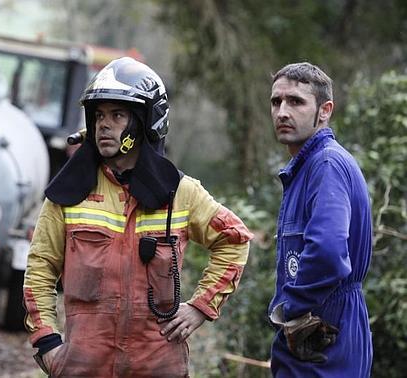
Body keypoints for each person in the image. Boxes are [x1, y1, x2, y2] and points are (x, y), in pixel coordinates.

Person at [23, 57, 253, 377]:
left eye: (117, 115)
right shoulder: (69, 193)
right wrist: (47, 342)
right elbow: (39, 268)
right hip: (83, 366)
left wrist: (201, 307)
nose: (104, 124)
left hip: (158, 364)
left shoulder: (180, 193)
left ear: (146, 122)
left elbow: (235, 239)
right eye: (99, 115)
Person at [267, 62, 373, 377]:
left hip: (325, 327)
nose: (283, 111)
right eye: (276, 101)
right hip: (321, 322)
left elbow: (327, 251)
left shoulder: (326, 164)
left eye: (296, 101)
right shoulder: (308, 166)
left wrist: (292, 311)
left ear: (324, 110)